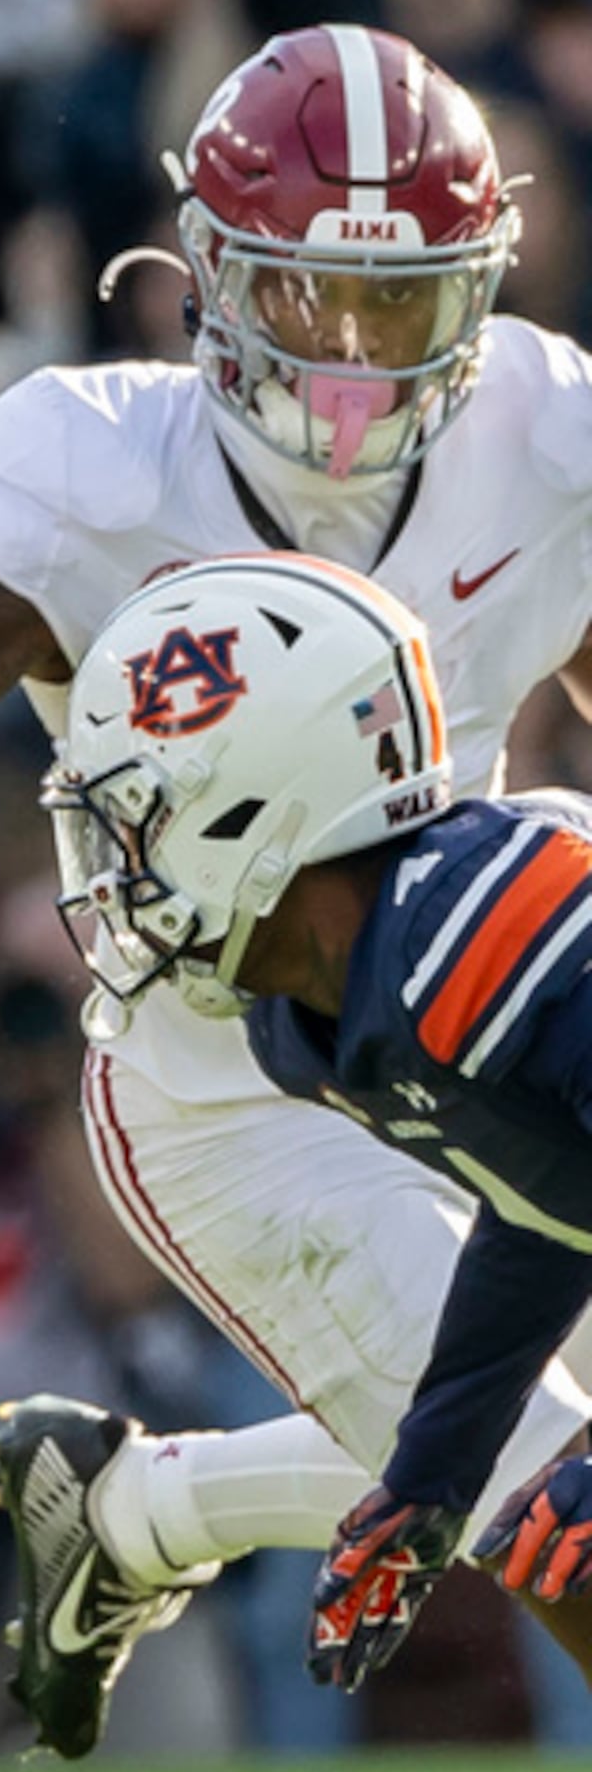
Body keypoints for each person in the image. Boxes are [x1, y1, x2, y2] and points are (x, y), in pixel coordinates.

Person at [0, 24, 592, 1758]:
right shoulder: (96, 466)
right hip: (230, 1086)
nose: (350, 358)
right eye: (307, 298)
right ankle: (147, 1515)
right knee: (566, 1515)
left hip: (479, 1017)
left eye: (397, 308)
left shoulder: (547, 430)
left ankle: (135, 1512)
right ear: (207, 275)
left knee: (521, 1449)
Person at [32, 557, 592, 1694]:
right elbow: (547, 1207)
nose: (116, 872)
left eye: (139, 823)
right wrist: (431, 1477)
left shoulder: (482, 937)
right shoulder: (320, 1018)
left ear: (254, 815)